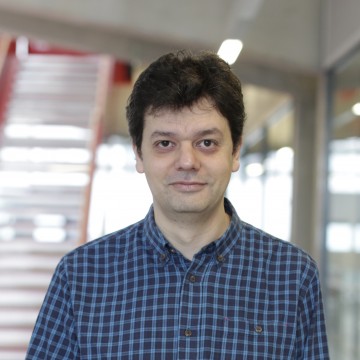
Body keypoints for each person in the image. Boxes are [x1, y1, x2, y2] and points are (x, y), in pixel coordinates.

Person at [26, 51, 329, 359]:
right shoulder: (80, 276)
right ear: (139, 155)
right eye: (165, 144)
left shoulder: (292, 276)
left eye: (206, 143)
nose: (187, 162)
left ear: (235, 151)